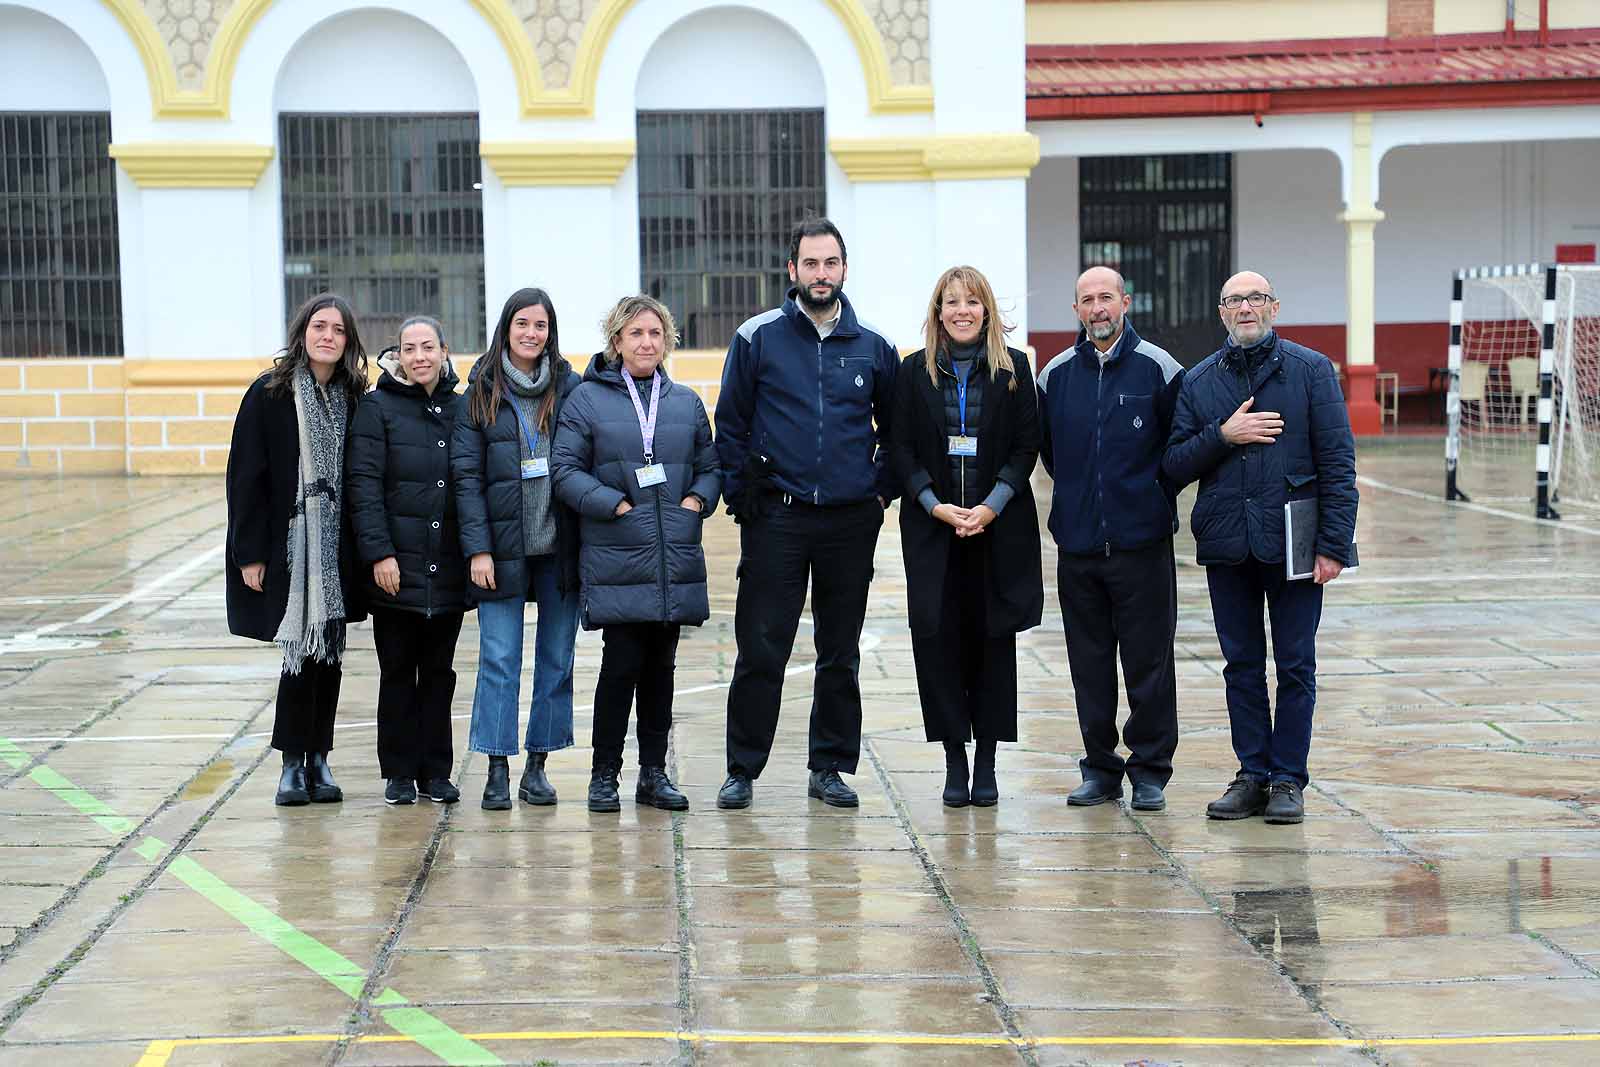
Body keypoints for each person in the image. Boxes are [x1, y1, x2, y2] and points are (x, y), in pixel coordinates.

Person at [713, 216, 899, 810]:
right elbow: (732, 425)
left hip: (849, 521)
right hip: (778, 520)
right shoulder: (757, 337)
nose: (822, 275)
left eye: (832, 264)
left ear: (844, 269)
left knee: (838, 652)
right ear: (792, 270)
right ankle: (742, 768)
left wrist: (877, 494)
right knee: (762, 648)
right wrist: (746, 499)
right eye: (811, 264)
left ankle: (830, 767)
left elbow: (897, 435)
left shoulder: (874, 347)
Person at [1162, 271, 1357, 825]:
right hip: (1228, 542)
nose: (1245, 308)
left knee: (1295, 665)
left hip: (1295, 541)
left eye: (1255, 298)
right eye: (1233, 301)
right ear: (1221, 312)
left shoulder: (1311, 371)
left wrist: (1333, 546)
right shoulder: (1199, 382)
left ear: (1273, 305)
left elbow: (1338, 464)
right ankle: (1251, 774)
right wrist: (1223, 435)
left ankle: (1288, 779)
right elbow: (1172, 466)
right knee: (1241, 666)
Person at [552, 295, 721, 813]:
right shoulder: (585, 400)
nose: (646, 343)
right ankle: (604, 775)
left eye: (655, 333)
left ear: (667, 340)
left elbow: (711, 466)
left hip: (673, 557)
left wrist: (697, 501)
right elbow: (564, 470)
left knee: (661, 670)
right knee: (620, 667)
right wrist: (614, 505)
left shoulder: (686, 403)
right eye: (635, 334)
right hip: (618, 555)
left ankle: (654, 774)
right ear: (616, 341)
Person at [888, 266, 1042, 807]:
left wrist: (990, 507)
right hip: (935, 533)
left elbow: (1026, 449)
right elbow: (899, 448)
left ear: (986, 310)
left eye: (971, 301)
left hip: (995, 531)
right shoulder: (912, 373)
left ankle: (988, 762)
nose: (961, 311)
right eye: (951, 302)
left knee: (992, 645)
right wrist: (934, 506)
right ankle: (955, 756)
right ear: (938, 312)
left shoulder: (1015, 370)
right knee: (939, 644)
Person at [1037, 266, 1184, 813]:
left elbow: (1178, 448)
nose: (1097, 308)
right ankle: (1100, 767)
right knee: (1089, 664)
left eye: (1106, 297)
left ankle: (1150, 770)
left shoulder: (1161, 370)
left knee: (1149, 663)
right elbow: (1051, 454)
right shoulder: (1054, 376)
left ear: (1126, 302)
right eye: (1086, 300)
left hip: (1141, 545)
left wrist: (1147, 498)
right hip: (1078, 548)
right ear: (1075, 310)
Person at [226, 293, 369, 806]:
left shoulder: (354, 396)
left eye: (338, 330)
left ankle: (321, 758)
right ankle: (291, 761)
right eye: (319, 326)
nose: (327, 336)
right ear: (302, 333)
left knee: (329, 652)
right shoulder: (269, 393)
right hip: (289, 546)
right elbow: (245, 477)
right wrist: (249, 554)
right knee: (299, 655)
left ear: (349, 341)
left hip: (338, 546)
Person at [451, 289, 582, 810]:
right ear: (506, 328)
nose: (532, 334)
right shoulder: (480, 392)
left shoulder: (571, 390)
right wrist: (477, 549)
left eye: (541, 326)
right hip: (500, 551)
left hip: (559, 549)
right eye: (522, 324)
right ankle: (497, 767)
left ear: (551, 333)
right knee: (500, 659)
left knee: (557, 658)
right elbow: (465, 477)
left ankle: (538, 767)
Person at [347, 317, 469, 806]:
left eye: (428, 347)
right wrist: (380, 554)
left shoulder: (462, 408)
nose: (419, 356)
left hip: (447, 568)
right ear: (397, 355)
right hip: (395, 569)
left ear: (444, 350)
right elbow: (364, 486)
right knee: (397, 670)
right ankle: (398, 771)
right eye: (409, 348)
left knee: (440, 672)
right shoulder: (376, 409)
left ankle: (436, 771)